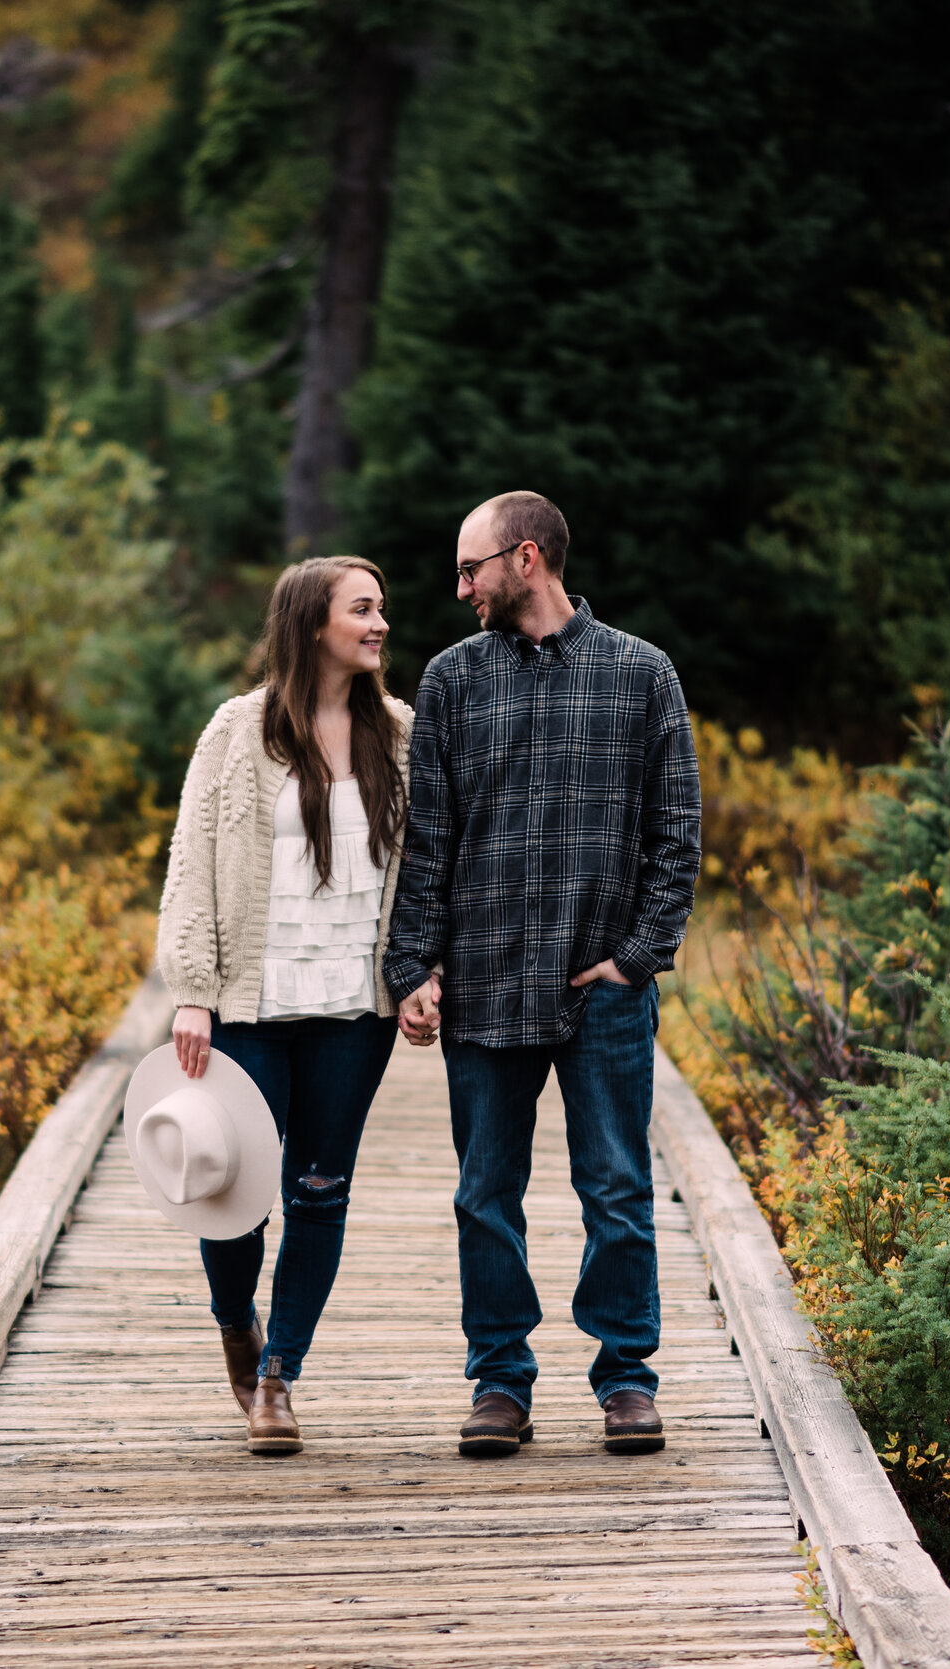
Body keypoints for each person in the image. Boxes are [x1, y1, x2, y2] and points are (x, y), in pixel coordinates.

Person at [384, 491, 701, 1458]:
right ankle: (501, 1382)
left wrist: (636, 959)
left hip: (601, 989)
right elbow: (427, 840)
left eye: (470, 567)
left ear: (526, 558)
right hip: (483, 985)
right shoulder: (451, 681)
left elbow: (676, 836)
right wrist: (414, 967)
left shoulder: (643, 675)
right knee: (486, 1193)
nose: (460, 588)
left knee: (615, 1187)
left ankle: (627, 1379)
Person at [155, 555, 414, 1455]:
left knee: (319, 1190)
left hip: (355, 1008)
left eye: (381, 610)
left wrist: (419, 976)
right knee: (233, 1189)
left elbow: (419, 873)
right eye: (363, 609)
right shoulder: (236, 732)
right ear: (312, 624)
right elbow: (190, 864)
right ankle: (237, 1318)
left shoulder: (401, 734)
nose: (380, 624)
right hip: (250, 1004)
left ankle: (279, 1377)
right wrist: (191, 993)